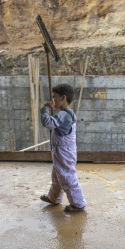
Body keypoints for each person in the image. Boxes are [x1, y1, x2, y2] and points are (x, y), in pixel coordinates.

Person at [39, 84, 87, 212]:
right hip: (62, 151)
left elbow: (47, 122)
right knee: (57, 176)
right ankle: (53, 198)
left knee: (67, 177)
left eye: (54, 97)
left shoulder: (64, 115)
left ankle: (78, 203)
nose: (52, 100)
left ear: (63, 98)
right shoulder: (65, 114)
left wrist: (45, 109)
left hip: (63, 152)